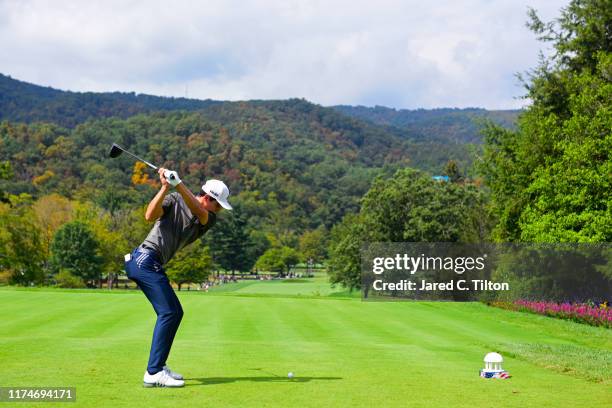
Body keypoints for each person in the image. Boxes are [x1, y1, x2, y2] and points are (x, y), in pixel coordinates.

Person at [124, 167, 232, 388]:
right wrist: (165, 188)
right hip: (144, 260)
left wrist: (178, 183)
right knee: (169, 312)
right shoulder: (174, 199)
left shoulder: (208, 218)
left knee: (174, 312)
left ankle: (159, 365)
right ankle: (153, 372)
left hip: (151, 263)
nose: (219, 210)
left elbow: (198, 211)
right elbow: (149, 215)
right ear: (210, 199)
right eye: (219, 205)